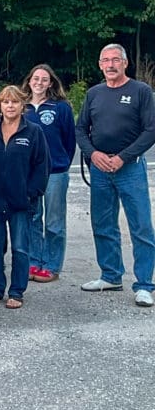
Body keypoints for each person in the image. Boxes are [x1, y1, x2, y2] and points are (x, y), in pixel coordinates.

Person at [75, 43, 155, 307]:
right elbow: (80, 129)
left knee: (141, 226)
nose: (110, 65)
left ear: (125, 63)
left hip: (129, 167)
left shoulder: (141, 91)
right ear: (100, 65)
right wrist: (93, 154)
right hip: (100, 169)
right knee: (103, 223)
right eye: (105, 60)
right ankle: (110, 275)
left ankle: (144, 285)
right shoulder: (94, 93)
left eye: (115, 60)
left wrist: (124, 157)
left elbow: (150, 130)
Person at [0, 86, 50, 310]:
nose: (10, 106)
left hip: (21, 202)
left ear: (23, 106)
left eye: (15, 102)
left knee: (20, 247)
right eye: (5, 102)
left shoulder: (34, 131)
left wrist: (31, 193)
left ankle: (17, 291)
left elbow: (42, 166)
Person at [23, 64, 77, 283]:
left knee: (54, 221)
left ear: (51, 83)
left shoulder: (60, 107)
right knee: (33, 217)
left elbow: (70, 140)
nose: (39, 83)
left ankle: (52, 266)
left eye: (44, 79)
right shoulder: (21, 106)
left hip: (55, 172)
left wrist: (61, 163)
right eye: (36, 78)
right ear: (29, 80)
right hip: (28, 173)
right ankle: (34, 262)